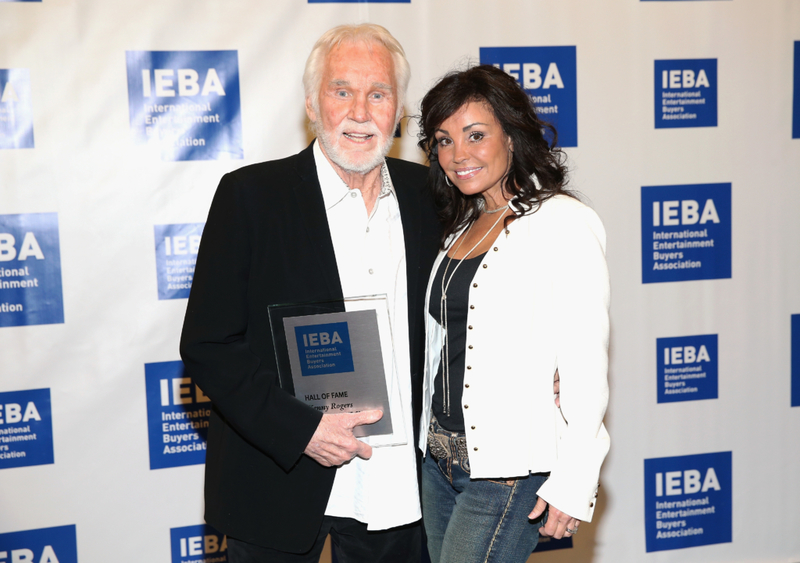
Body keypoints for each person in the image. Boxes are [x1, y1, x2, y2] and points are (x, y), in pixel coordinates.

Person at [180, 24, 440, 562]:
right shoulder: (250, 198)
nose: (360, 111)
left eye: (379, 93)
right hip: (279, 477)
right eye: (341, 91)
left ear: (398, 112)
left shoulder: (431, 198)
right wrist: (301, 430)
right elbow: (209, 344)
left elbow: (466, 318)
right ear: (312, 105)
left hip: (399, 488)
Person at [415, 64, 611, 563]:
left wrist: (574, 478)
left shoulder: (562, 221)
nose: (458, 154)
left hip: (506, 473)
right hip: (439, 464)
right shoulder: (463, 225)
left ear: (512, 133)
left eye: (475, 135)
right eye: (443, 140)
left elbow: (585, 363)